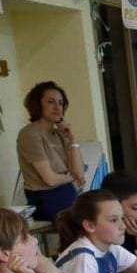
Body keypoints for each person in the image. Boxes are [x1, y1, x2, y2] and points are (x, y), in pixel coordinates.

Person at [16, 81, 84, 223]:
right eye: (50, 102)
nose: (57, 107)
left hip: (67, 192)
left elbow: (79, 172)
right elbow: (50, 179)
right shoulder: (30, 133)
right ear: (37, 104)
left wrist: (72, 139)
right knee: (87, 223)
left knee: (101, 216)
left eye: (60, 103)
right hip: (45, 197)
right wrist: (72, 177)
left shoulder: (59, 133)